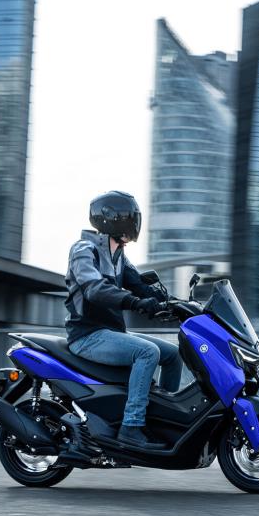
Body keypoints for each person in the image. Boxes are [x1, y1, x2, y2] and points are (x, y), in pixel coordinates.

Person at [64, 191, 182, 449]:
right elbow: (94, 289)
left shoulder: (118, 256)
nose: (134, 222)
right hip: (87, 335)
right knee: (148, 352)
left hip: (111, 333)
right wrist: (135, 303)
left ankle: (163, 420)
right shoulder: (84, 250)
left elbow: (139, 285)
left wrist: (175, 304)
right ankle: (131, 426)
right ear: (114, 219)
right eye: (131, 217)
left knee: (174, 354)